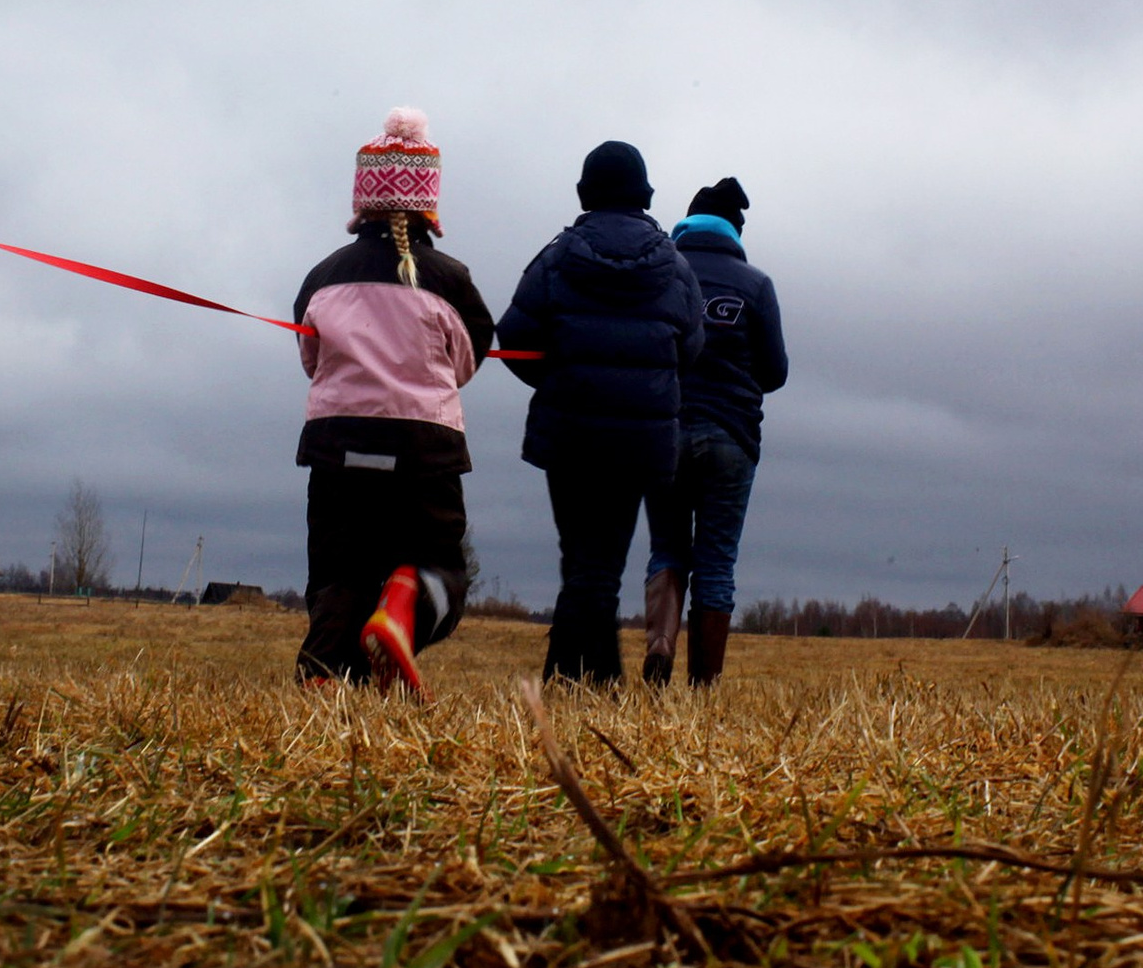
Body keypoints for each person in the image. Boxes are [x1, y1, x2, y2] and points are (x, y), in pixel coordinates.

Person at [290, 110, 497, 697]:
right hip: (424, 451)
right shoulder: (449, 279)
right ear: (428, 204)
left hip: (337, 446)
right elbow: (467, 361)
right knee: (440, 568)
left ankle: (325, 673)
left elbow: (311, 360)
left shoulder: (323, 275)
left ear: (363, 201)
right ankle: (405, 606)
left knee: (339, 571)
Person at [497, 142, 705, 684]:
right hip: (640, 439)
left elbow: (513, 336)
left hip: (570, 432)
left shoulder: (557, 257)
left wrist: (561, 381)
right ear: (644, 194)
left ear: (585, 193)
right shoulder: (676, 266)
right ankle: (587, 681)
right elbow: (691, 348)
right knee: (601, 563)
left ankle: (581, 680)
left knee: (582, 560)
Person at [641, 178, 789, 686]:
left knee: (667, 548)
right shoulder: (756, 285)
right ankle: (704, 686)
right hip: (731, 436)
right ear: (734, 232)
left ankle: (660, 645)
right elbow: (775, 373)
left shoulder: (661, 277)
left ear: (687, 224)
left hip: (664, 432)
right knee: (717, 561)